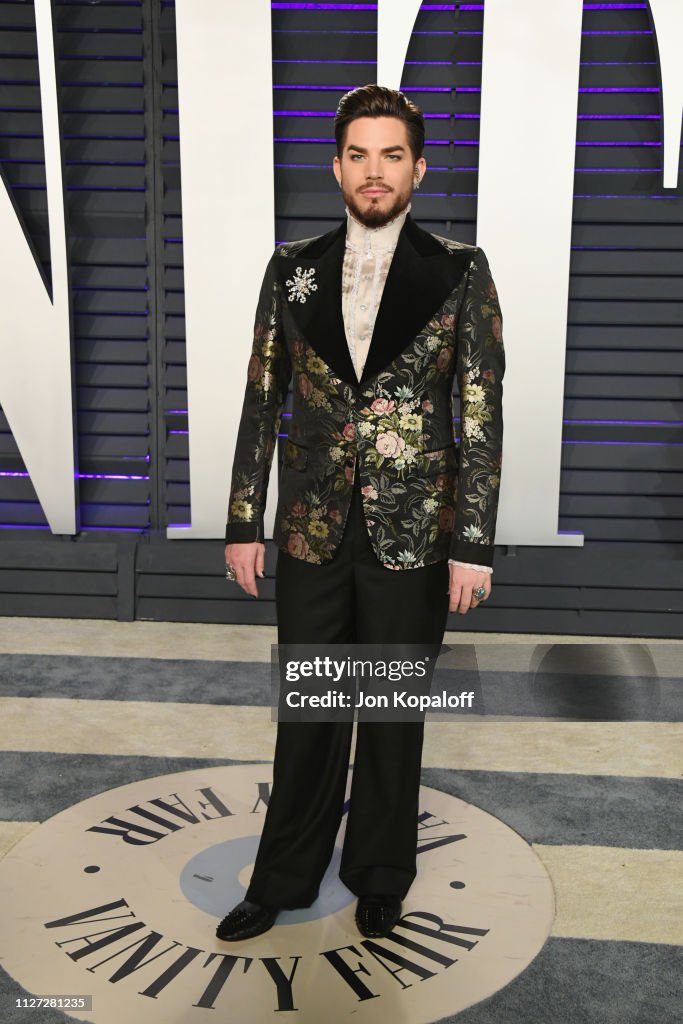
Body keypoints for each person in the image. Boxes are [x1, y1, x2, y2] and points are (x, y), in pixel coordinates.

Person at [217, 85, 504, 941]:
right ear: (336, 166)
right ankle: (282, 877)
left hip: (415, 534)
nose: (372, 172)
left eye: (390, 155)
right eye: (357, 154)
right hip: (309, 527)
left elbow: (479, 414)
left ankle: (381, 871)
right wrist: (243, 520)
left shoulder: (458, 269)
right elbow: (261, 398)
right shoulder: (290, 267)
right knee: (307, 709)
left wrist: (473, 545)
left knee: (391, 711)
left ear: (417, 167)